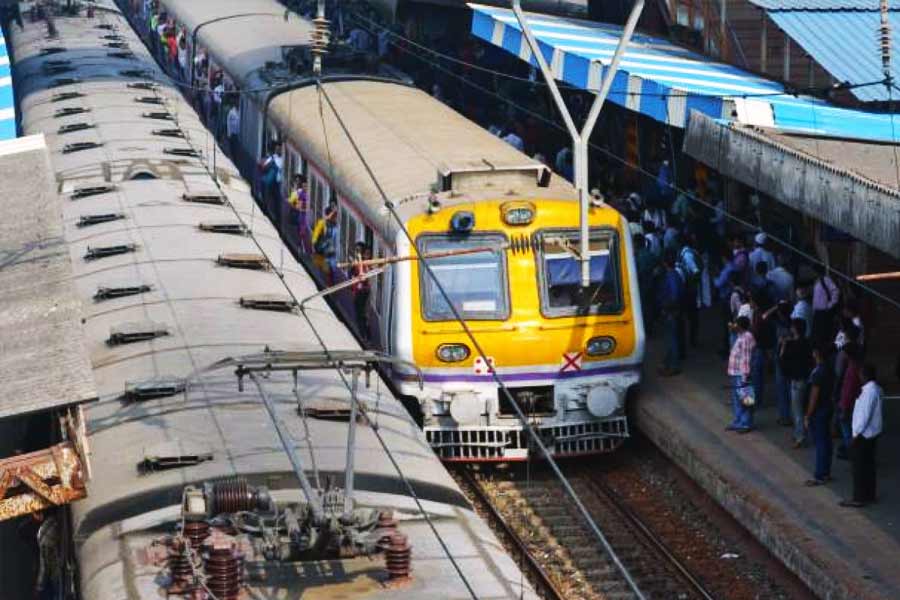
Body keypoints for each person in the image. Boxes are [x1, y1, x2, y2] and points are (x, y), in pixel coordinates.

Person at [840, 364, 883, 507]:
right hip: (872, 434)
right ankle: (869, 494)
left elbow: (864, 416)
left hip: (863, 434)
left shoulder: (869, 392)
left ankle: (858, 498)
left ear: (865, 376)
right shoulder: (876, 389)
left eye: (860, 374)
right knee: (869, 466)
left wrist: (856, 434)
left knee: (858, 467)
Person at [780, 318, 813, 447]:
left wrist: (784, 345)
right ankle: (801, 433)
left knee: (797, 410)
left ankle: (800, 436)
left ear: (795, 329)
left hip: (796, 380)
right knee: (802, 408)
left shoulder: (792, 345)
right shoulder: (807, 343)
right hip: (805, 378)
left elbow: (782, 359)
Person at [805, 344, 835, 486]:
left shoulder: (818, 373)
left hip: (818, 410)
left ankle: (820, 474)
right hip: (827, 406)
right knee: (826, 441)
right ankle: (826, 472)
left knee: (820, 442)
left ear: (817, 353)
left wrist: (808, 414)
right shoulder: (829, 369)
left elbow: (814, 396)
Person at [763, 300, 793, 426]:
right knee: (790, 388)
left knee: (782, 388)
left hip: (781, 358)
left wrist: (776, 306)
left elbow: (764, 316)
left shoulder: (778, 323)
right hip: (791, 359)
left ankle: (785, 416)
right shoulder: (793, 322)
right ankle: (791, 415)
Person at [726, 316, 756, 433]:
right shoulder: (742, 335)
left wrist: (745, 377)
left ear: (740, 326)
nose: (734, 326)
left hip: (741, 374)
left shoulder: (746, 338)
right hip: (736, 373)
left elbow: (746, 358)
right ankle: (738, 421)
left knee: (746, 399)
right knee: (738, 399)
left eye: (736, 324)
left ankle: (746, 423)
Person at [836, 339, 863, 460]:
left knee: (847, 431)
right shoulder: (858, 366)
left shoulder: (851, 370)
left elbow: (848, 392)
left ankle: (851, 452)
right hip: (855, 404)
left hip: (848, 405)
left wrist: (844, 408)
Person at [657, 253, 683, 376]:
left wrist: (667, 308)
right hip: (673, 310)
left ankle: (674, 366)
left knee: (672, 339)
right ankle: (668, 362)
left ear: (665, 263)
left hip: (670, 311)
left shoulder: (671, 276)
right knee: (671, 338)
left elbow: (674, 295)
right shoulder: (676, 274)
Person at [351, 242, 373, 343]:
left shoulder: (364, 264)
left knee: (362, 315)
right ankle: (364, 336)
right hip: (358, 292)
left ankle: (365, 337)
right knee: (360, 315)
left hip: (363, 293)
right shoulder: (358, 263)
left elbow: (362, 275)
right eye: (357, 251)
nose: (357, 253)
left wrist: (359, 259)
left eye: (358, 251)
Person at [312, 203, 339, 285]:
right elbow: (314, 238)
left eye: (335, 216)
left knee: (332, 273)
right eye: (333, 215)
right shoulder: (322, 223)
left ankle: (330, 286)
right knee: (323, 275)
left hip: (331, 253)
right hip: (321, 254)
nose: (335, 218)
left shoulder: (335, 226)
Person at [811, 268, 839, 345]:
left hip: (824, 312)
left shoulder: (826, 280)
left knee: (823, 336)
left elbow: (836, 291)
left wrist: (829, 305)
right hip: (817, 313)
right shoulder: (816, 281)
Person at [287, 174, 310, 253]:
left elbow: (291, 202)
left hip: (298, 216)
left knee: (300, 232)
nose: (296, 183)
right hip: (299, 216)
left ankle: (301, 247)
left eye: (297, 182)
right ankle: (301, 247)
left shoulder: (297, 193)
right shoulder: (299, 192)